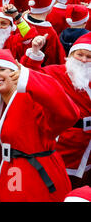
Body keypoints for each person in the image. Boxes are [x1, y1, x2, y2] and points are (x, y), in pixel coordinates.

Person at [0, 48, 80, 201]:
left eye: (2, 69)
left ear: (16, 73)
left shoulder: (31, 98)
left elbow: (70, 113)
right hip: (14, 172)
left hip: (37, 173)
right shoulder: (1, 102)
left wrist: (31, 78)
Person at [21, 32, 91, 188]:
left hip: (88, 148)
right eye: (80, 54)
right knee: (57, 183)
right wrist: (34, 53)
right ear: (71, 54)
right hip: (64, 141)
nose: (84, 60)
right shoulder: (56, 72)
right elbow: (28, 77)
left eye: (89, 56)